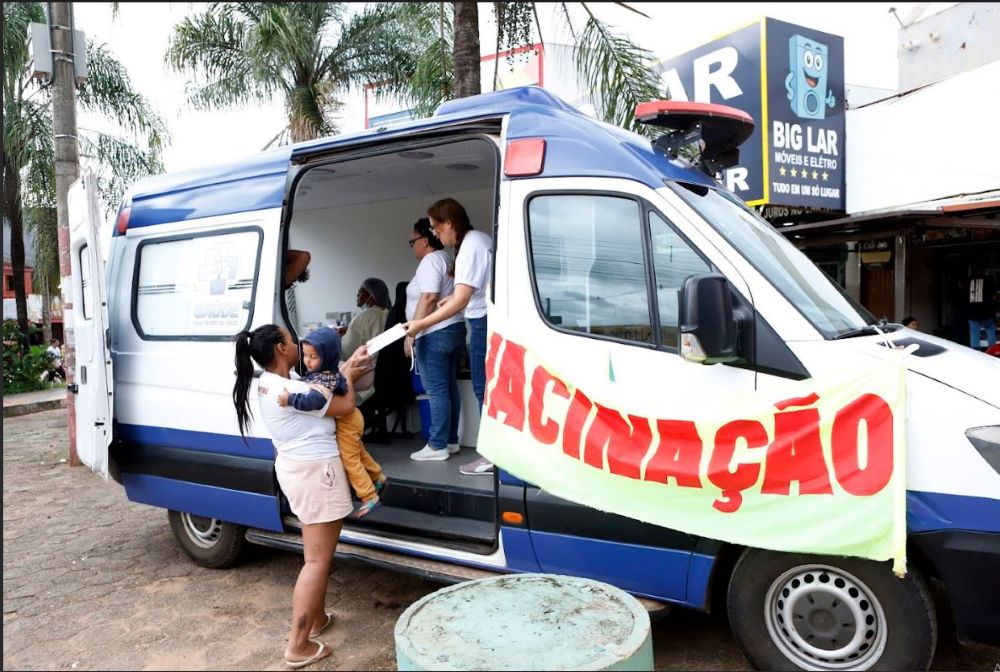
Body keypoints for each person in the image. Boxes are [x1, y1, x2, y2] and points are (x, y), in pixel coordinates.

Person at [233, 324, 370, 669]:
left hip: (298, 470)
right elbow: (345, 403)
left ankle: (318, 618)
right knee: (317, 560)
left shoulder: (268, 383)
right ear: (281, 349)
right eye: (293, 342)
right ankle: (298, 645)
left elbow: (321, 385)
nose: (298, 346)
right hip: (316, 473)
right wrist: (349, 376)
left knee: (315, 556)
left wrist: (346, 364)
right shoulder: (293, 389)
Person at [403, 198, 494, 476]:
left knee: (479, 389)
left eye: (435, 228)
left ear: (449, 223)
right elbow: (465, 292)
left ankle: (488, 454)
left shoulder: (468, 247)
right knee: (467, 388)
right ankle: (459, 444)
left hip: (479, 322)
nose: (435, 234)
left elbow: (455, 298)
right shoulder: (475, 240)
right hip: (476, 322)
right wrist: (451, 299)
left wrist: (416, 327)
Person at [278, 326, 387, 517]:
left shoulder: (326, 378)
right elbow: (311, 382)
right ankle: (378, 476)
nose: (308, 361)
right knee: (358, 452)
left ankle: (369, 496)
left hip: (347, 421)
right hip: (351, 419)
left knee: (349, 459)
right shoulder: (326, 371)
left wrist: (290, 400)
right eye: (306, 356)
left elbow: (315, 401)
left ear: (327, 355)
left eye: (313, 357)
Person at [404, 218, 466, 462]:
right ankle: (450, 441)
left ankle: (437, 444)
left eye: (413, 240)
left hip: (435, 332)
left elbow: (429, 297)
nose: (412, 246)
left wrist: (412, 333)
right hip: (453, 328)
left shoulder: (430, 260)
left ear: (425, 239)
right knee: (449, 387)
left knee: (437, 389)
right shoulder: (445, 259)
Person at [341, 278, 391, 405]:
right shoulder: (378, 314)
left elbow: (373, 349)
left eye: (361, 292)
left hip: (366, 373)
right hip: (370, 368)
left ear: (371, 295)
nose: (357, 295)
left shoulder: (370, 315)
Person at [965, 268, 998, 349]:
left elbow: (963, 296)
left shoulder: (967, 281)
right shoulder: (988, 280)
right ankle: (992, 352)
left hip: (972, 313)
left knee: (974, 334)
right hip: (986, 312)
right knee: (990, 329)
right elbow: (994, 294)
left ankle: (976, 354)